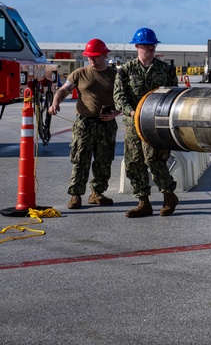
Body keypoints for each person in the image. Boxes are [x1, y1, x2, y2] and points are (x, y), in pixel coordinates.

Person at [113, 27, 181, 218]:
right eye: (146, 45)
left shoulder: (165, 70)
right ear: (137, 46)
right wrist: (131, 112)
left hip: (155, 124)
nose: (150, 48)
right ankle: (143, 202)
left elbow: (173, 95)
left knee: (155, 159)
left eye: (152, 45)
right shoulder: (125, 71)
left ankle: (168, 195)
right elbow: (119, 97)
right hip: (133, 124)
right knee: (134, 162)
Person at [48, 38, 120, 210]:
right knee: (80, 159)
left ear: (104, 55)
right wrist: (55, 102)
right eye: (89, 56)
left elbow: (126, 100)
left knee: (104, 160)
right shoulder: (79, 73)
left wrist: (116, 114)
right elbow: (64, 89)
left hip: (106, 123)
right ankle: (76, 195)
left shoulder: (115, 76)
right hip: (84, 123)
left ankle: (97, 193)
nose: (91, 59)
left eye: (95, 56)